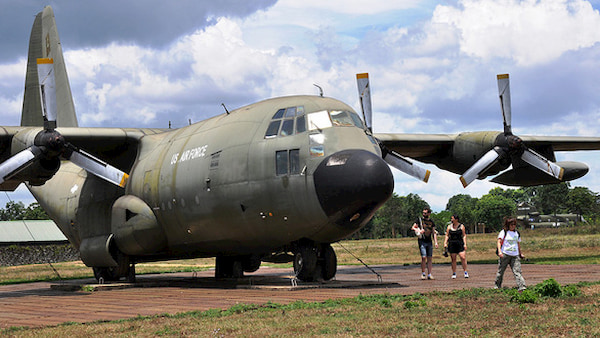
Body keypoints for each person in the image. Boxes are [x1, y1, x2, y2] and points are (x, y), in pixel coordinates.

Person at [494, 216, 527, 291]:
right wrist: (500, 251)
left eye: (514, 224)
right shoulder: (504, 232)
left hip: (514, 255)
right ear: (508, 225)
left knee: (517, 271)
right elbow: (499, 242)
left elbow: (518, 244)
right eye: (511, 224)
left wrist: (520, 253)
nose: (513, 226)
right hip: (505, 254)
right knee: (501, 271)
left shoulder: (516, 233)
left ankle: (522, 287)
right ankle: (497, 286)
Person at [412, 207, 438, 279]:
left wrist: (436, 242)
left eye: (425, 213)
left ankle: (429, 274)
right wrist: (419, 230)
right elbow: (413, 227)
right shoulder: (420, 220)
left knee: (429, 258)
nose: (424, 214)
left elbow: (434, 232)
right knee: (424, 257)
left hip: (429, 241)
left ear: (429, 214)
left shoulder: (431, 222)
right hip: (422, 241)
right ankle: (423, 273)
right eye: (423, 213)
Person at [444, 214, 469, 279]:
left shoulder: (461, 226)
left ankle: (465, 271)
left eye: (452, 218)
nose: (451, 220)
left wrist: (465, 244)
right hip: (452, 243)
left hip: (460, 243)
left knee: (462, 257)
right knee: (453, 259)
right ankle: (454, 272)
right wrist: (445, 243)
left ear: (456, 219)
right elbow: (447, 235)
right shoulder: (449, 227)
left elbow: (464, 235)